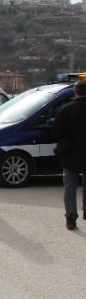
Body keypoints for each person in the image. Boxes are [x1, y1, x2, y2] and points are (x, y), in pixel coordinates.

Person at [53, 79, 86, 230]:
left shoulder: (65, 109)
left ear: (75, 92)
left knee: (70, 187)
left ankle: (71, 218)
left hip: (70, 153)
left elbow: (57, 133)